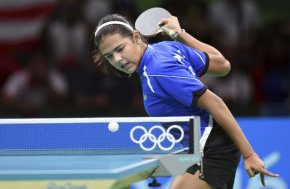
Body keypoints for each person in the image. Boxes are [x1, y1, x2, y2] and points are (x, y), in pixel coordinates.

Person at [92, 13, 279, 188]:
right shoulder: (166, 48)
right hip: (201, 149)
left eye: (120, 49)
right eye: (109, 56)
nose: (117, 59)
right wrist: (180, 34)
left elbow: (215, 103)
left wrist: (249, 154)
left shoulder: (159, 70)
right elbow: (222, 65)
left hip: (211, 149)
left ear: (136, 37)